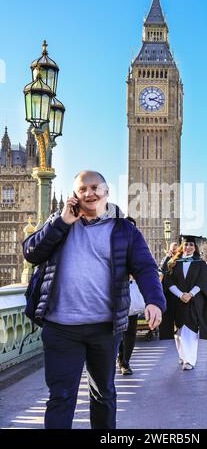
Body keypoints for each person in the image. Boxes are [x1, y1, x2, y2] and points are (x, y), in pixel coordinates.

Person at [23, 170, 166, 430]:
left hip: (105, 328)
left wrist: (154, 301)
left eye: (94, 187)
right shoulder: (59, 221)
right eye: (82, 189)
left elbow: (146, 267)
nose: (89, 193)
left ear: (106, 192)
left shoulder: (125, 229)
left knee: (104, 395)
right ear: (74, 196)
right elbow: (31, 253)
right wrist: (61, 223)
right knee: (61, 397)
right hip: (61, 328)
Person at [164, 236, 207, 370]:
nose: (188, 247)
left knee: (190, 330)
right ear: (182, 247)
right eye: (186, 245)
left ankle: (189, 360)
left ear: (195, 248)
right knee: (179, 332)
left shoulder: (200, 263)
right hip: (177, 301)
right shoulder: (174, 262)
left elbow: (202, 281)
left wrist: (190, 294)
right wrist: (180, 295)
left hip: (194, 301)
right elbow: (168, 282)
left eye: (191, 245)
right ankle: (183, 356)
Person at [117, 216, 139, 376]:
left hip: (131, 293)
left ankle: (126, 362)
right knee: (117, 330)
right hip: (115, 294)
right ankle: (119, 357)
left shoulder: (139, 247)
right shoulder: (112, 245)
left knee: (130, 331)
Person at [159, 242, 178, 340]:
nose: (174, 251)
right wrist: (168, 257)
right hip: (167, 291)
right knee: (167, 314)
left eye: (176, 249)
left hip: (179, 291)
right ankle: (167, 335)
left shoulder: (181, 259)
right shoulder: (166, 259)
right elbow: (161, 270)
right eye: (172, 249)